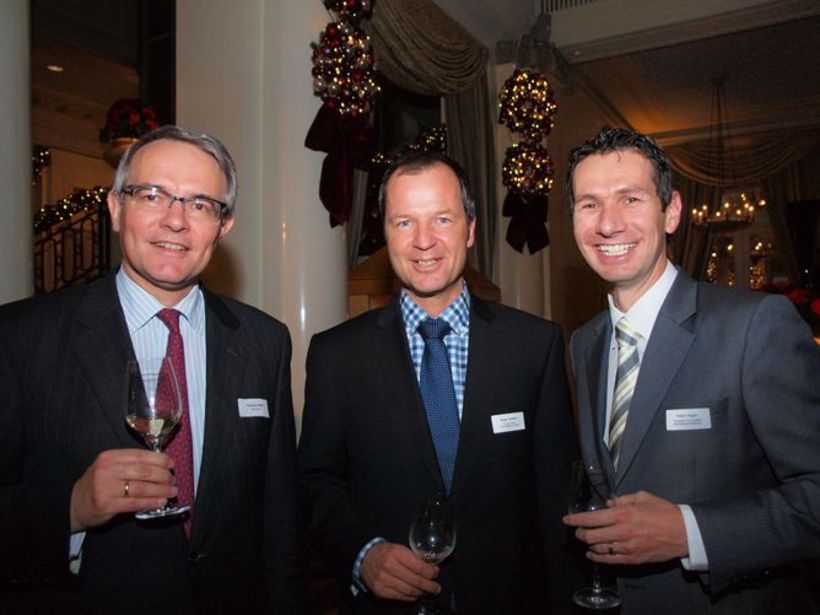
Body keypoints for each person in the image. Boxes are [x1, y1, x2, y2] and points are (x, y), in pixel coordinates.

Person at [0, 125, 307, 613]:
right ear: (115, 208)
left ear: (223, 226)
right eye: (152, 195)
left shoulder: (264, 341)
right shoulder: (20, 338)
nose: (175, 220)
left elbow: (280, 520)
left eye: (200, 204)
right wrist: (71, 509)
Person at [298, 150, 579, 614]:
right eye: (404, 222)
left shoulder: (534, 346)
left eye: (442, 219)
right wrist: (363, 554)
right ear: (386, 234)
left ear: (470, 229)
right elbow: (315, 481)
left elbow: (556, 498)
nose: (423, 241)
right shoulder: (337, 355)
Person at [563, 126, 820, 613]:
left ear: (672, 211)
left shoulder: (753, 326)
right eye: (589, 204)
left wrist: (692, 532)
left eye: (630, 199)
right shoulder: (585, 343)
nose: (608, 224)